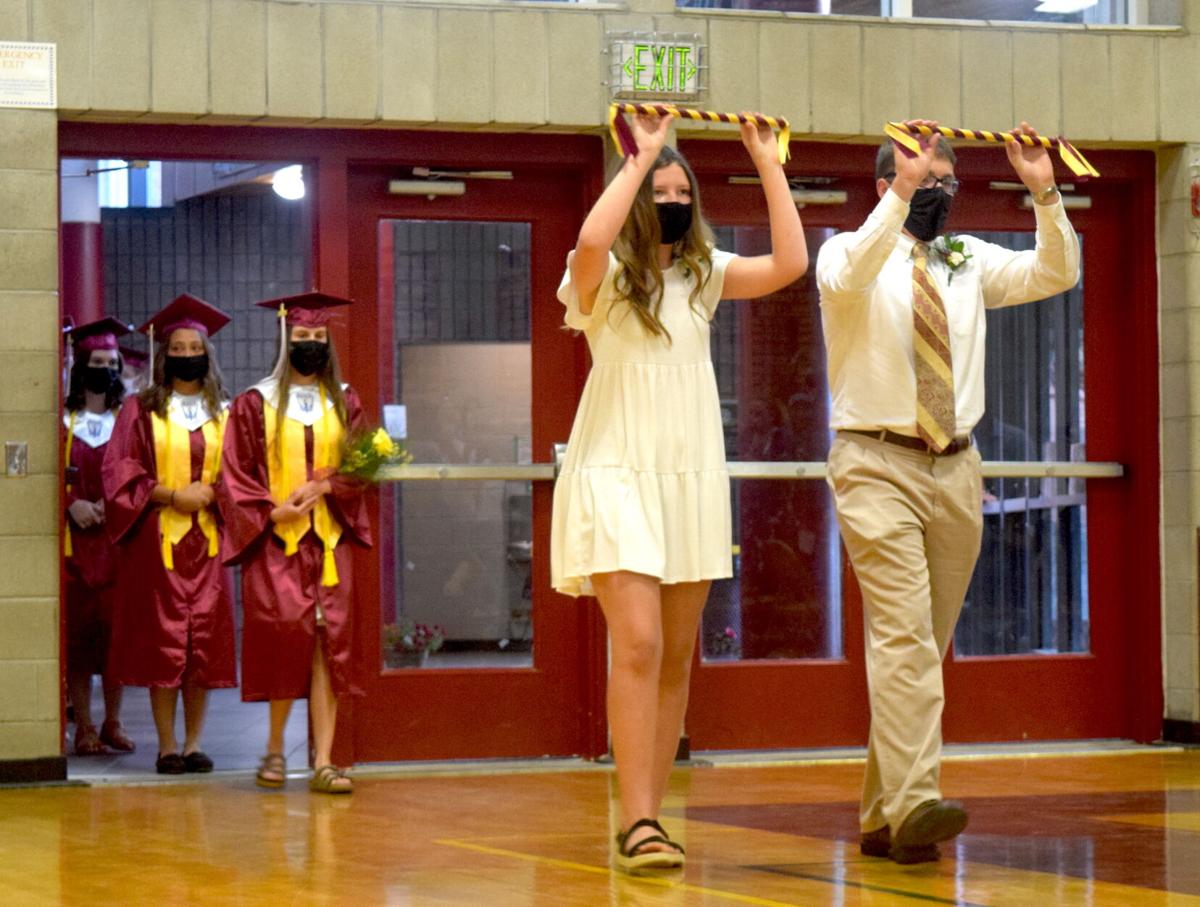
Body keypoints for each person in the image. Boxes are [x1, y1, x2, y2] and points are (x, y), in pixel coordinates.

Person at [816, 120, 1080, 863]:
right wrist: (902, 194)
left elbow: (1053, 273)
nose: (938, 195)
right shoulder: (848, 252)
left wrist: (1043, 191)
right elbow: (846, 277)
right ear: (885, 183)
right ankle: (918, 802)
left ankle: (881, 812)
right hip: (876, 461)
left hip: (958, 466)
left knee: (921, 649)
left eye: (944, 184)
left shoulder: (964, 260)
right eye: (923, 181)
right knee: (903, 638)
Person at [550, 112, 807, 872]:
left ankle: (650, 815)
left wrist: (768, 164)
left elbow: (790, 262)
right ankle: (635, 821)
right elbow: (592, 242)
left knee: (674, 658)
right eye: (659, 189)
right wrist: (640, 157)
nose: (671, 198)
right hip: (615, 467)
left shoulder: (704, 276)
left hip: (689, 471)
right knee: (637, 641)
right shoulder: (595, 281)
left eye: (680, 189)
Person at [218, 292, 371, 795]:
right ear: (285, 340)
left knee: (329, 647)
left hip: (329, 543)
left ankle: (325, 760)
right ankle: (276, 749)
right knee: (286, 640)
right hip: (278, 542)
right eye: (301, 337)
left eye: (317, 338)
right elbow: (234, 473)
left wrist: (327, 484)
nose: (310, 345)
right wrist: (269, 511)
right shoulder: (254, 402)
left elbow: (364, 465)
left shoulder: (344, 400)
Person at [102, 294, 238, 774]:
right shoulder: (141, 410)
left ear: (207, 352)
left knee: (201, 644)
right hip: (158, 541)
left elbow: (242, 475)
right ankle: (165, 745)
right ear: (165, 355)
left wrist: (215, 494)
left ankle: (195, 742)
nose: (185, 354)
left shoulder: (224, 412)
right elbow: (119, 470)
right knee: (166, 644)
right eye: (177, 347)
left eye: (193, 346)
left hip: (209, 544)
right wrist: (170, 495)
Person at [62, 317, 136, 756]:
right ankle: (84, 726)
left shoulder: (127, 421)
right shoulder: (63, 421)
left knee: (115, 641)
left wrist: (116, 504)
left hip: (116, 547)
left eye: (112, 362)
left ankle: (112, 721)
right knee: (78, 642)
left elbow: (140, 474)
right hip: (74, 549)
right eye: (96, 361)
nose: (105, 368)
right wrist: (69, 503)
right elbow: (48, 476)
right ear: (82, 366)